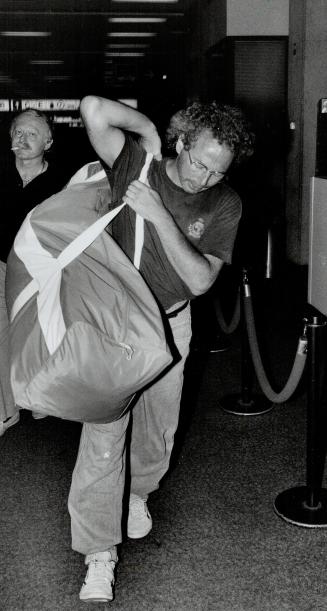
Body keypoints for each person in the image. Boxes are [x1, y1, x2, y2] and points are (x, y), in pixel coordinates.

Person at [69, 95, 254, 603]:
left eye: (218, 171)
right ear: (181, 142)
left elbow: (198, 280)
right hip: (118, 324)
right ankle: (98, 555)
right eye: (199, 162)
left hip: (173, 323)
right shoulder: (138, 163)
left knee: (158, 431)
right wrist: (148, 130)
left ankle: (138, 494)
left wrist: (155, 213)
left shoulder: (225, 203)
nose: (204, 179)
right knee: (104, 435)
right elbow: (92, 109)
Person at [0, 109, 68, 436]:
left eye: (32, 134)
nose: (23, 139)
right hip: (1, 268)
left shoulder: (61, 183)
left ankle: (38, 395)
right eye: (18, 132)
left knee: (37, 335)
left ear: (48, 142)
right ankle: (6, 410)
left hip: (41, 274)